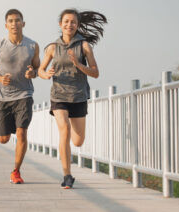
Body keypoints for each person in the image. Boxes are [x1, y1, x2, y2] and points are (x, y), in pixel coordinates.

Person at [38, 9, 107, 189]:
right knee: (65, 131)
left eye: (73, 22)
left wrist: (79, 65)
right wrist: (46, 75)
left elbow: (96, 73)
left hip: (78, 96)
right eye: (66, 22)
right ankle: (67, 175)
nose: (69, 25)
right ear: (60, 24)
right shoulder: (53, 47)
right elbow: (40, 70)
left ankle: (69, 166)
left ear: (77, 25)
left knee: (78, 141)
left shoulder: (84, 46)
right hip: (59, 95)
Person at [0, 9, 40, 184]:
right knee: (3, 139)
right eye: (11, 21)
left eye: (17, 20)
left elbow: (38, 69)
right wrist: (0, 78)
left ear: (23, 24)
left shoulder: (33, 46)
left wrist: (33, 73)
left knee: (22, 133)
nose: (14, 23)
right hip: (3, 98)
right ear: (6, 25)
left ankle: (16, 171)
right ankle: (8, 132)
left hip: (24, 95)